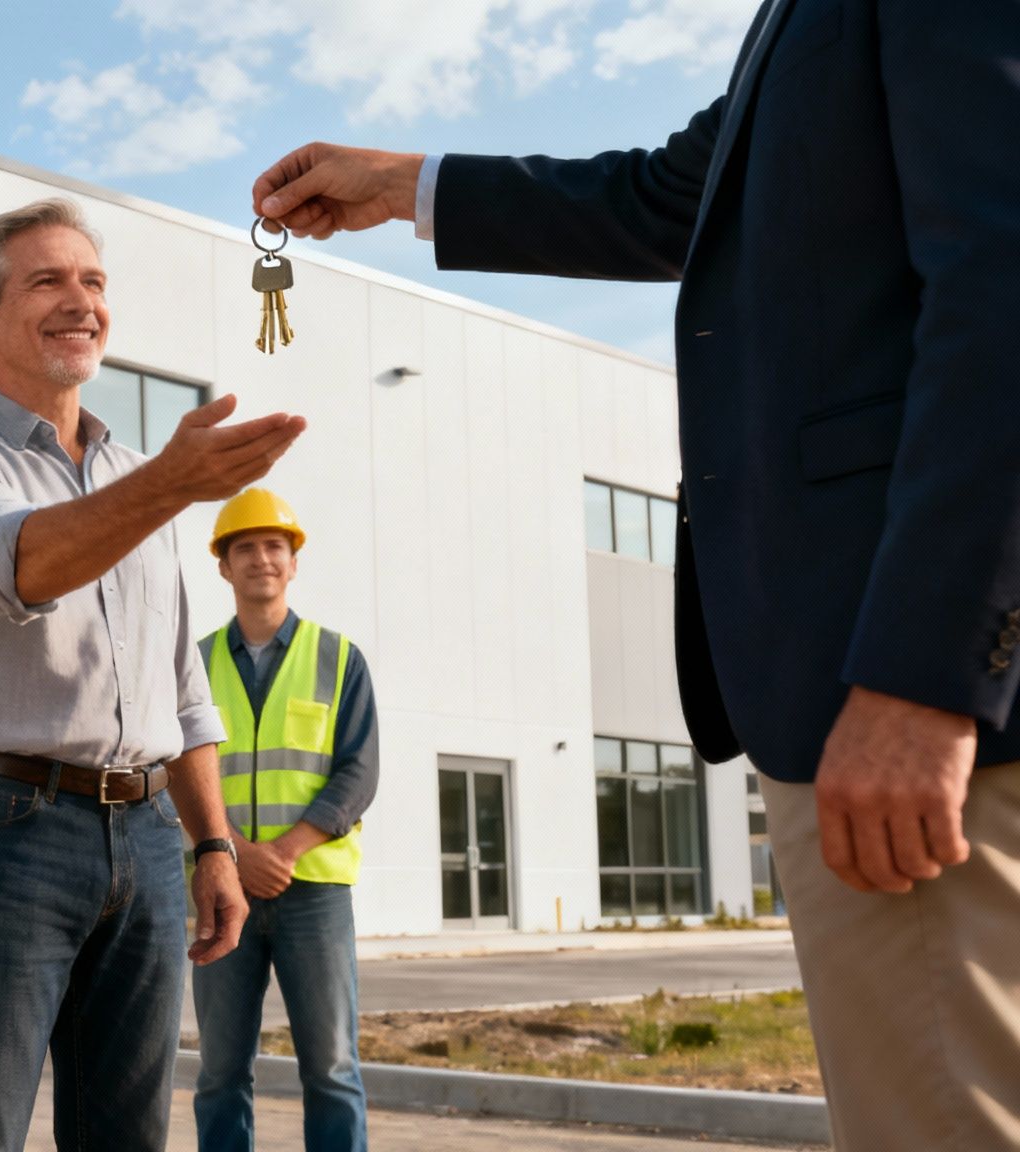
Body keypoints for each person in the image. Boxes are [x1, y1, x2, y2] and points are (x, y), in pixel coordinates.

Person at [249, 5, 1020, 1146]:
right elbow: (669, 195)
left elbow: (1004, 283)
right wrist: (406, 184)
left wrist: (925, 672)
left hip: (902, 692)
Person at [0, 197, 304, 1151]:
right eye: (48, 280)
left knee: (127, 1132)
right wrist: (171, 486)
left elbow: (180, 695)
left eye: (95, 281)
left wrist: (212, 847)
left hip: (152, 839)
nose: (82, 301)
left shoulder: (136, 474)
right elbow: (19, 567)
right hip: (7, 832)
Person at [192, 488, 377, 1151]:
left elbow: (358, 773)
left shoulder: (339, 657)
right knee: (218, 1071)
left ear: (293, 563)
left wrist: (285, 851)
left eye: (274, 546)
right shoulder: (195, 662)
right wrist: (235, 852)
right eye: (245, 548)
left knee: (331, 1067)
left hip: (315, 892)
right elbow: (167, 772)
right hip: (222, 888)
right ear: (224, 566)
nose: (261, 559)